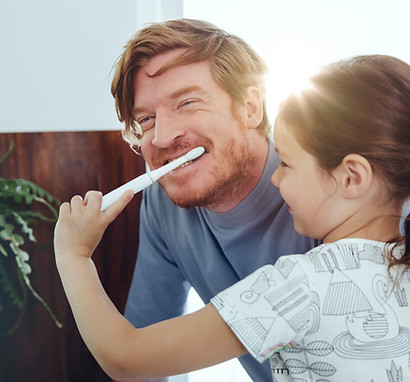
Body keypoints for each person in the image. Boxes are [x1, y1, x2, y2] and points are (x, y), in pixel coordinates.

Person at [54, 53, 410, 381]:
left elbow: (125, 357)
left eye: (286, 163)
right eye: (145, 119)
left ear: (351, 178)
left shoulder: (298, 285)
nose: (276, 178)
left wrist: (74, 256)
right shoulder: (401, 272)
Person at [110, 19, 316, 382]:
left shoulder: (328, 189)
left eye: (187, 102)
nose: (161, 137)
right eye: (146, 119)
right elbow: (144, 355)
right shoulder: (163, 204)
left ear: (250, 107)